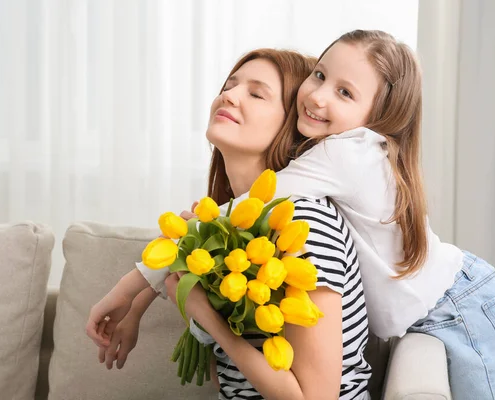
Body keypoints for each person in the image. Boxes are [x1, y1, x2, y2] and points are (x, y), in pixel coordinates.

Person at [171, 30, 495, 399]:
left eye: (257, 93)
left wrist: (176, 282)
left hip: (468, 304)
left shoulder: (335, 175)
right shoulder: (294, 201)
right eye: (320, 76)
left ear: (377, 119)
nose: (316, 97)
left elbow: (244, 209)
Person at [88, 48, 372, 399]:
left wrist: (206, 316)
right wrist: (136, 305)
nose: (229, 95)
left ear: (292, 122)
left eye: (255, 94)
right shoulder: (224, 230)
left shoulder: (303, 220)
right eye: (230, 85)